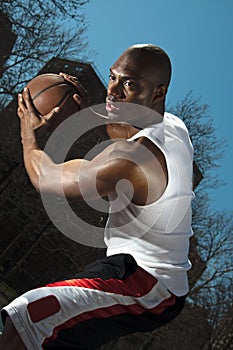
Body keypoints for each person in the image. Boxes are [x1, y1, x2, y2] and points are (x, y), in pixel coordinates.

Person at [0, 44, 194, 349]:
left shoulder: (134, 158)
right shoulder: (173, 127)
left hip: (150, 285)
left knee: (32, 316)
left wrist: (29, 133)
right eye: (112, 78)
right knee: (52, 332)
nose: (113, 91)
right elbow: (123, 130)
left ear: (158, 93)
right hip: (136, 270)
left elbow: (45, 177)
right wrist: (88, 111)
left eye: (128, 84)